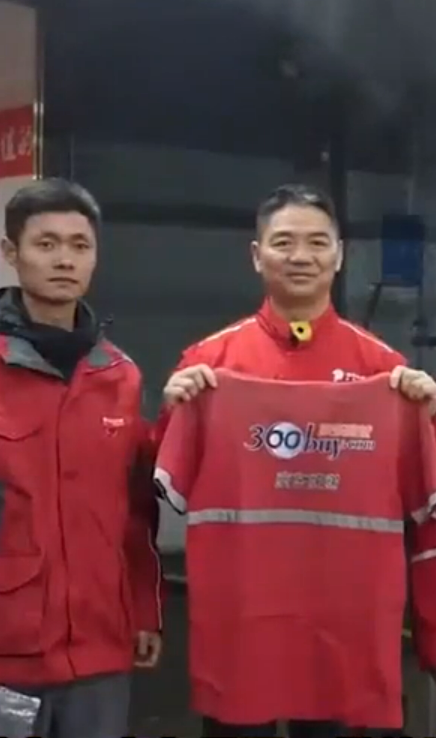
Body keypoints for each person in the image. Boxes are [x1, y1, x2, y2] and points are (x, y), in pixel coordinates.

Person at [158, 184, 436, 738]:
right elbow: (158, 482)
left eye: (317, 242)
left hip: (343, 635)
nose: (301, 256)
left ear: (340, 255)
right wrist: (171, 413)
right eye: (283, 242)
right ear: (257, 255)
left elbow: (424, 505)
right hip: (242, 627)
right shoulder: (208, 365)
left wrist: (426, 415)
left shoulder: (385, 371)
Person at [0, 178, 162, 738]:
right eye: (46, 244)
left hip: (99, 652)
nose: (64, 260)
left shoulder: (119, 376)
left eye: (79, 245)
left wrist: (144, 609)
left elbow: (135, 513)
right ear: (10, 252)